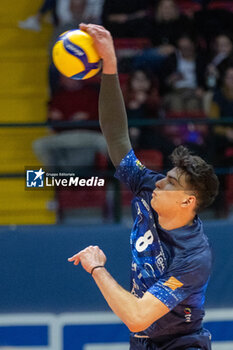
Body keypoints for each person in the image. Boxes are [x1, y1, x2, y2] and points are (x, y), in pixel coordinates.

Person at [68, 24, 219, 350]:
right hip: (143, 344)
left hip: (182, 344)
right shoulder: (148, 188)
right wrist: (110, 65)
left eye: (171, 183)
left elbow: (138, 316)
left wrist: (97, 268)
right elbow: (117, 137)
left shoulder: (194, 255)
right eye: (165, 175)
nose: (159, 182)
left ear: (187, 202)